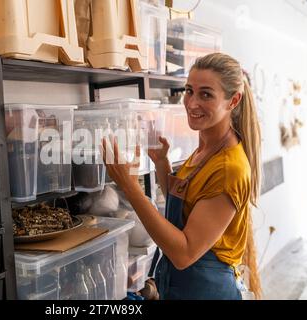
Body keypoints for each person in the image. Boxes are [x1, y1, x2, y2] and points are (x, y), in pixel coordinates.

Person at [101, 53, 262, 300]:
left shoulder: (229, 168)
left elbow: (184, 253)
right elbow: (186, 209)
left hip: (207, 291)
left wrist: (129, 186)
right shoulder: (205, 148)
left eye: (206, 94)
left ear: (233, 100)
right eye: (189, 91)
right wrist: (161, 164)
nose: (192, 103)